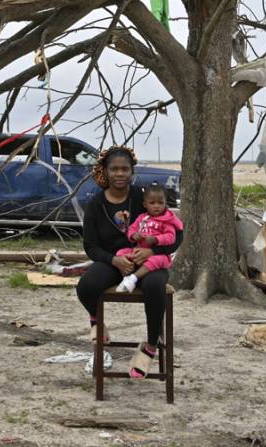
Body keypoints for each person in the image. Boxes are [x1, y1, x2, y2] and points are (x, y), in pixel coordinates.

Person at [76, 145, 182, 379]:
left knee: (155, 287)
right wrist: (113, 260)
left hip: (149, 261)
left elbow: (177, 235)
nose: (120, 173)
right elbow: (90, 246)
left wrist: (152, 249)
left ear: (132, 172)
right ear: (105, 170)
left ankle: (151, 345)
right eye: (114, 169)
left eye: (125, 169)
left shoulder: (144, 198)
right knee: (85, 286)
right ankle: (97, 321)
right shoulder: (96, 204)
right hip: (114, 261)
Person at [114, 185, 183, 293]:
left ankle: (133, 278)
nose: (157, 206)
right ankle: (126, 277)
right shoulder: (142, 218)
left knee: (155, 260)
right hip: (139, 249)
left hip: (158, 254)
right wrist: (133, 235)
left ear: (165, 203)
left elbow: (171, 237)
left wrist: (156, 239)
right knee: (121, 253)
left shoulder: (166, 220)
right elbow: (132, 229)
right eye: (152, 203)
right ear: (145, 205)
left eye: (160, 203)